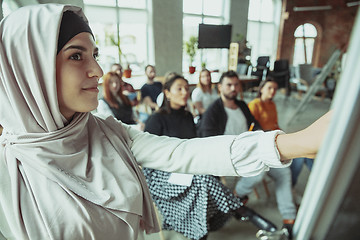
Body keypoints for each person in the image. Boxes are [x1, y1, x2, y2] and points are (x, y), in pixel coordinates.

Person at [0, 4, 332, 240]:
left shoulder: (108, 134)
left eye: (94, 54)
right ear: (30, 71)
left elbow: (185, 153)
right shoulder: (7, 171)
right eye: (76, 55)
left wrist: (295, 142)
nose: (97, 71)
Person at [142, 74, 277, 240]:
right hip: (161, 174)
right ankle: (241, 210)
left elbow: (194, 146)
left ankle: (200, 233)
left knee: (205, 178)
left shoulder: (187, 117)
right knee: (203, 180)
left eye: (187, 88)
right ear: (167, 93)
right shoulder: (156, 120)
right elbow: (148, 157)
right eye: (179, 89)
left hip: (185, 167)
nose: (185, 92)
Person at [236, 78, 297, 238]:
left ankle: (289, 218)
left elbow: (275, 125)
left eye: (275, 88)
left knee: (284, 173)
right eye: (270, 87)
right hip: (259, 147)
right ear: (261, 88)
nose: (273, 91)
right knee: (259, 174)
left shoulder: (272, 105)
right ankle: (237, 195)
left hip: (273, 146)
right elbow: (250, 130)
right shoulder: (254, 105)